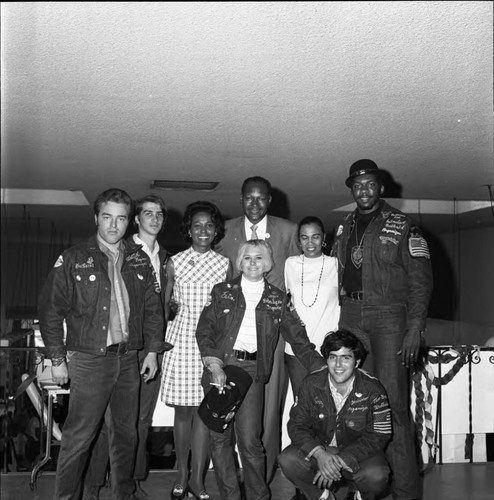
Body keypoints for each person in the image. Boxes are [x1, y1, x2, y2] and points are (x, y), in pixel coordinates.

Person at [38, 188, 165, 500]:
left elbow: (152, 309)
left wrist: (152, 350)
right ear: (96, 218)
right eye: (107, 217)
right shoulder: (73, 259)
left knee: (126, 435)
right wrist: (57, 359)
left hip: (129, 360)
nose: (113, 225)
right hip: (89, 359)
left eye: (121, 218)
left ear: (128, 223)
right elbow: (50, 310)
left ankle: (123, 494)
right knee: (79, 438)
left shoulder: (139, 261)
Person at [332, 159, 433, 500]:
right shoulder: (344, 228)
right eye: (357, 185)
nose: (364, 190)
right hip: (351, 315)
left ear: (381, 188)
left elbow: (421, 281)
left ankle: (406, 492)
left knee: (393, 406)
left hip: (390, 317)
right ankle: (360, 485)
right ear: (351, 190)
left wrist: (415, 327)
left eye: (370, 184)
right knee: (353, 402)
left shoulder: (402, 224)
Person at [195, 239, 326, 500]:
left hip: (253, 373)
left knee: (250, 441)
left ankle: (259, 497)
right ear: (239, 262)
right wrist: (214, 363)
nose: (252, 263)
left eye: (258, 258)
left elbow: (298, 339)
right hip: (221, 367)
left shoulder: (277, 298)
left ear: (267, 263)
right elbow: (205, 330)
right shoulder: (222, 291)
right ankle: (231, 496)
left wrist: (323, 367)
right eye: (247, 257)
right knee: (219, 438)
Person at [83, 194, 173, 499]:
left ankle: (128, 485)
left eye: (160, 214)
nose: (154, 219)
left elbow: (156, 306)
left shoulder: (166, 258)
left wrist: (155, 347)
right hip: (116, 350)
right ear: (135, 218)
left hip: (147, 350)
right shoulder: (125, 249)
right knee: (106, 426)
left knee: (139, 424)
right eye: (148, 213)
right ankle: (93, 485)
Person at [214, 176, 299, 482]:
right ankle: (234, 476)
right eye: (248, 198)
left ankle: (262, 475)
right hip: (232, 334)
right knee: (228, 411)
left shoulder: (289, 231)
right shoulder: (224, 229)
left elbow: (296, 277)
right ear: (241, 199)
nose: (254, 204)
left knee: (268, 407)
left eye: (260, 198)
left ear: (269, 201)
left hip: (270, 333)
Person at [160, 201, 232, 500]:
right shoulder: (174, 262)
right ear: (188, 230)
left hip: (211, 346)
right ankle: (182, 474)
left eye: (209, 226)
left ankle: (199, 481)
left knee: (205, 414)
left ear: (216, 231)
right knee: (183, 413)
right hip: (181, 342)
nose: (203, 230)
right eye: (197, 225)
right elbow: (165, 306)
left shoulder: (225, 264)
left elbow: (227, 309)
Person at [278, 330, 392, 500]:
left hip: (358, 453)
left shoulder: (373, 390)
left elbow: (380, 434)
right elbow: (296, 426)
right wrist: (320, 455)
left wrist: (339, 460)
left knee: (377, 475)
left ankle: (359, 495)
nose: (338, 364)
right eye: (333, 357)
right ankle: (324, 496)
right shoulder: (311, 384)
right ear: (327, 360)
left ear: (357, 362)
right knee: (288, 459)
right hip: (323, 449)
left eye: (346, 357)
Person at [284, 216, 340, 398]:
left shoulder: (335, 264)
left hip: (328, 347)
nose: (310, 242)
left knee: (327, 403)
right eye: (304, 237)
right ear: (298, 241)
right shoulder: (290, 264)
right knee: (301, 402)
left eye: (315, 237)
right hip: (297, 349)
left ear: (324, 238)